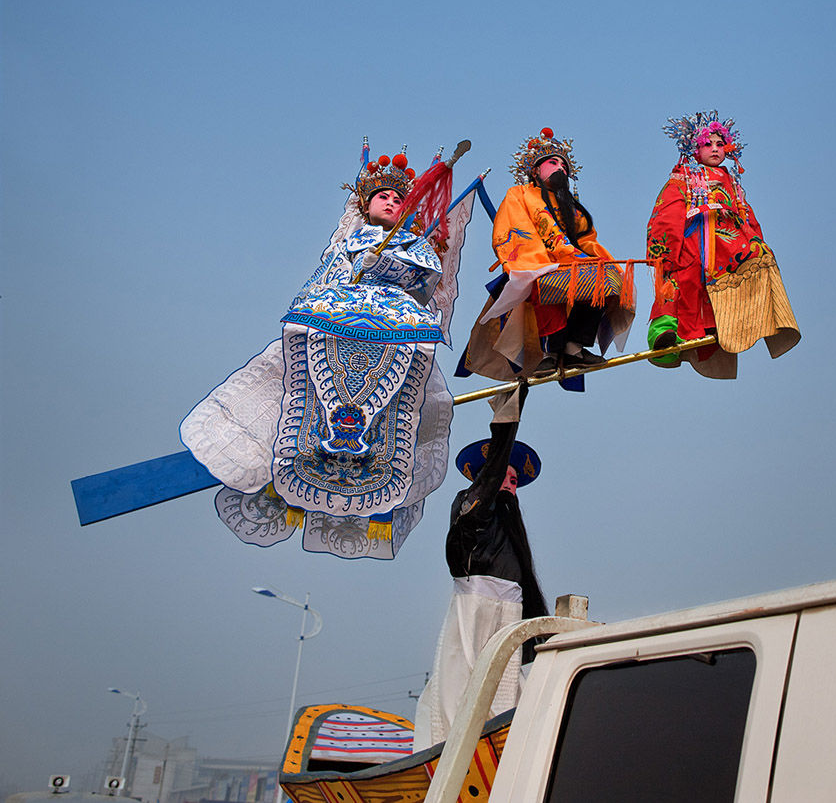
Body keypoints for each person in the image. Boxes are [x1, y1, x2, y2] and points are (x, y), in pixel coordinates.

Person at [180, 145, 467, 559]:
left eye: (397, 198)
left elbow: (426, 289)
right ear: (366, 206)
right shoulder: (348, 241)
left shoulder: (416, 245)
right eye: (382, 196)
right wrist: (357, 268)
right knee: (283, 384)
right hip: (336, 329)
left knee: (422, 404)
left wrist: (396, 270)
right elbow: (324, 284)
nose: (390, 201)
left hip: (397, 337)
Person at [414, 385, 547, 750]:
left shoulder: (510, 522)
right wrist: (507, 420)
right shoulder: (470, 504)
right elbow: (491, 476)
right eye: (505, 476)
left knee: (507, 693)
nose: (509, 483)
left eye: (515, 480)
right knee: (460, 691)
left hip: (509, 612)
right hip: (475, 610)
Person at [459, 127, 634, 385]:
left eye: (564, 165)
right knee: (547, 277)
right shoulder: (519, 194)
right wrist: (552, 256)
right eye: (553, 162)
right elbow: (515, 228)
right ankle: (551, 350)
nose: (560, 168)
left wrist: (602, 261)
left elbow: (587, 239)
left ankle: (574, 347)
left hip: (572, 262)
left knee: (605, 277)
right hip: (537, 259)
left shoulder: (570, 205)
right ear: (535, 170)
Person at [646, 112, 800, 378]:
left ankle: (742, 321)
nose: (715, 149)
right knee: (684, 280)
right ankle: (667, 334)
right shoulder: (684, 177)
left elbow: (746, 216)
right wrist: (665, 253)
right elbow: (667, 214)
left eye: (720, 144)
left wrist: (757, 241)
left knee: (760, 259)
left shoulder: (733, 183)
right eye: (708, 144)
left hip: (729, 242)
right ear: (695, 149)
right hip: (696, 243)